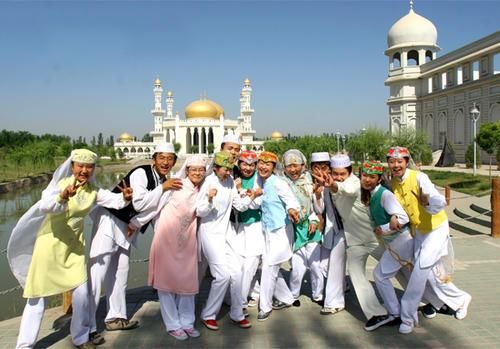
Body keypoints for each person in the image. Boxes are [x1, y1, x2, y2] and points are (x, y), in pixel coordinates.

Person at [7, 149, 133, 349]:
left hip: (73, 248)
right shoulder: (59, 185)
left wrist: (125, 197)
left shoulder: (93, 190)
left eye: (89, 167)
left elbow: (113, 201)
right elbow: (47, 206)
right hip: (50, 246)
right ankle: (24, 345)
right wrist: (63, 197)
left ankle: (80, 338)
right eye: (80, 166)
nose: (84, 170)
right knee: (37, 297)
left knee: (82, 294)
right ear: (72, 166)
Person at [88, 142, 182, 335]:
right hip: (110, 220)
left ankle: (116, 318)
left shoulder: (163, 180)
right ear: (153, 159)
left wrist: (136, 224)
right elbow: (139, 203)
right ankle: (85, 326)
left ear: (174, 162)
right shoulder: (142, 173)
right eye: (161, 158)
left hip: (127, 228)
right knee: (97, 273)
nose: (165, 162)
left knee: (120, 272)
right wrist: (162, 188)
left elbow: (155, 211)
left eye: (169, 158)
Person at [386, 146, 471, 334]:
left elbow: (437, 199)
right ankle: (459, 299)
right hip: (419, 231)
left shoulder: (419, 178)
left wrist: (428, 202)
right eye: (392, 161)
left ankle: (408, 317)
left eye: (400, 161)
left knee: (420, 268)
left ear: (407, 162)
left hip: (436, 228)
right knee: (431, 274)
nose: (396, 165)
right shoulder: (393, 182)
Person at [130, 154, 208, 340]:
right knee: (166, 285)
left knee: (188, 283)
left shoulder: (201, 191)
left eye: (201, 170)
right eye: (193, 169)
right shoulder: (175, 186)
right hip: (166, 240)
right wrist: (134, 223)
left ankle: (187, 322)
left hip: (187, 242)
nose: (197, 173)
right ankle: (173, 325)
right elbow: (154, 207)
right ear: (187, 170)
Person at [320, 153, 393, 331]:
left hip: (374, 238)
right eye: (335, 173)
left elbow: (349, 190)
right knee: (357, 276)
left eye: (342, 174)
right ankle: (377, 314)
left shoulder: (353, 183)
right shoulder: (331, 185)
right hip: (354, 241)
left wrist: (334, 185)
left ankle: (429, 299)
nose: (338, 177)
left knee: (401, 269)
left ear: (350, 172)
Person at [197, 151, 258, 331]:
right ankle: (208, 315)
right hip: (210, 233)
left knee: (238, 272)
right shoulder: (208, 183)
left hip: (227, 232)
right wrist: (209, 199)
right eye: (225, 169)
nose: (228, 172)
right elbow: (199, 211)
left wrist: (251, 196)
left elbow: (238, 205)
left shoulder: (231, 181)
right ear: (215, 168)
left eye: (230, 169)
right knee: (222, 276)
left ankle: (236, 313)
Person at [360, 160, 412, 326]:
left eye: (371, 176)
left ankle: (395, 312)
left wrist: (381, 228)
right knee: (411, 275)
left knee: (380, 275)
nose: (367, 179)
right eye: (364, 175)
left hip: (402, 240)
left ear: (379, 179)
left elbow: (403, 217)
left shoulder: (385, 195)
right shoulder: (372, 194)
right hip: (394, 242)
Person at [255, 151, 301, 322]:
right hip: (267, 230)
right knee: (269, 266)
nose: (263, 166)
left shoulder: (278, 183)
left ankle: (265, 307)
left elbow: (292, 201)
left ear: (273, 167)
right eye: (261, 163)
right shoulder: (261, 182)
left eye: (268, 164)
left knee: (268, 268)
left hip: (280, 231)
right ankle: (287, 298)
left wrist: (292, 210)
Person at [281, 149, 323, 306]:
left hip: (311, 228)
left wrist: (313, 221)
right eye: (289, 166)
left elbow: (314, 208)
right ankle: (293, 295)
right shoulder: (281, 183)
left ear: (303, 165)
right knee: (298, 268)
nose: (293, 170)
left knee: (315, 266)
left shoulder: (310, 181)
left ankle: (318, 295)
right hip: (293, 230)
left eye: (296, 165)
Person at [310, 152, 346, 315]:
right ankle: (341, 287)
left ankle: (333, 301)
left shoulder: (345, 182)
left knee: (334, 265)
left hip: (351, 230)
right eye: (316, 168)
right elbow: (320, 210)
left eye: (324, 167)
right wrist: (318, 193)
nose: (320, 171)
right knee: (325, 265)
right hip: (333, 230)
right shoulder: (319, 186)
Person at [230, 150, 265, 312]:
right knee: (240, 265)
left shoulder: (259, 179)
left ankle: (241, 303)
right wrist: (244, 194)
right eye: (245, 164)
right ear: (239, 164)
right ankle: (255, 292)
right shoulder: (234, 179)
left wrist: (240, 192)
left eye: (252, 165)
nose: (248, 168)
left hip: (255, 227)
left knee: (250, 264)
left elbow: (254, 204)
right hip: (239, 227)